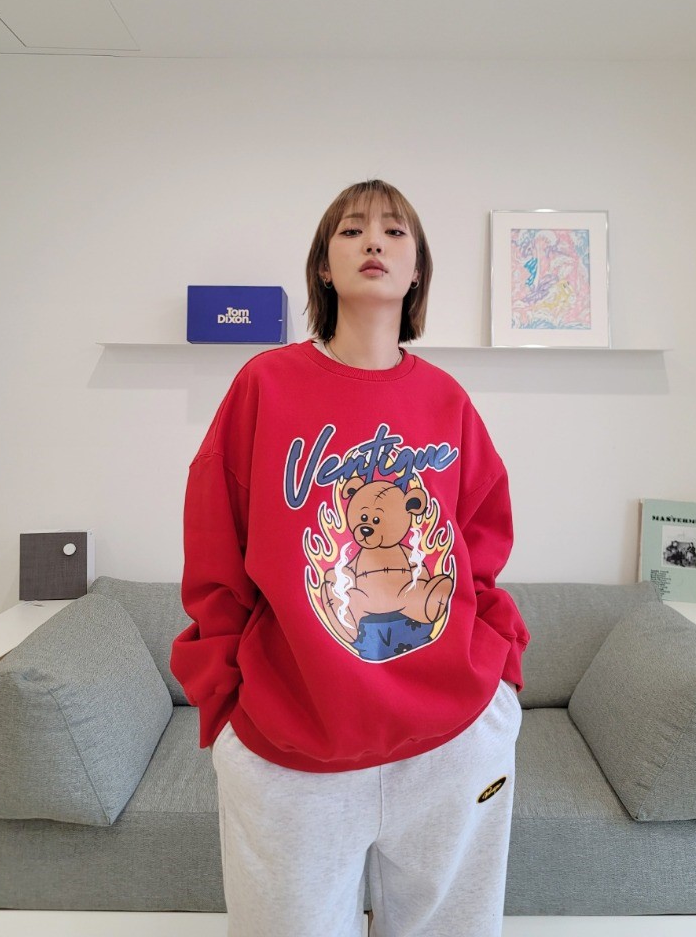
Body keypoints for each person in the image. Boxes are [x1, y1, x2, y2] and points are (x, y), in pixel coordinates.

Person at [170, 179, 530, 937]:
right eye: (351, 230)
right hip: (291, 749)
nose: (374, 242)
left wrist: (501, 677)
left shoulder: (446, 401)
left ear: (417, 270)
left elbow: (481, 551)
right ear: (323, 267)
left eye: (395, 232)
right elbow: (214, 551)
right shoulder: (265, 385)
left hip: (453, 742)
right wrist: (224, 702)